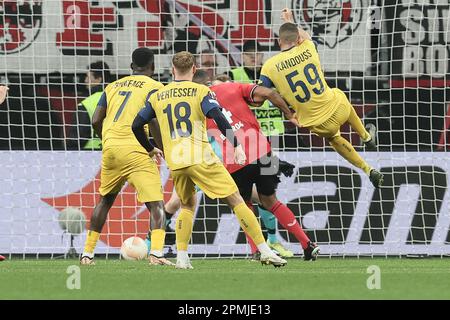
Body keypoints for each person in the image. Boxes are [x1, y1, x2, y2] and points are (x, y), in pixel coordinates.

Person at [132, 51, 287, 269]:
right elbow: (218, 117)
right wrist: (237, 144)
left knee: (186, 205)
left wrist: (150, 148)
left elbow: (136, 125)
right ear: (194, 69)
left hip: (176, 161)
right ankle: (265, 250)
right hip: (200, 156)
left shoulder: (158, 95)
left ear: (172, 70)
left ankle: (182, 257)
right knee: (236, 200)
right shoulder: (201, 90)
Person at [259, 8, 384, 188]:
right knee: (339, 94)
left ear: (279, 41)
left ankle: (367, 169)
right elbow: (305, 36)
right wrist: (291, 20)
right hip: (339, 110)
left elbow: (261, 93)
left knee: (334, 138)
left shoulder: (269, 66)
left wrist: (286, 111)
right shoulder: (309, 47)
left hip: (317, 124)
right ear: (298, 39)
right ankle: (365, 136)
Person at [204, 76, 319, 261]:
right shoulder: (234, 87)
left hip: (236, 160)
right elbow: (269, 93)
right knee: (272, 201)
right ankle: (307, 244)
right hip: (264, 151)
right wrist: (289, 115)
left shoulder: (201, 101)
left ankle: (257, 251)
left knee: (243, 205)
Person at [80, 48, 173, 266]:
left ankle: (87, 254)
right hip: (137, 149)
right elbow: (152, 121)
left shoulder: (111, 86)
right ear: (153, 67)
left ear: (131, 67)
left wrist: (107, 138)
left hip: (111, 148)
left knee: (105, 200)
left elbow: (95, 120)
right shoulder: (155, 87)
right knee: (156, 204)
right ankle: (156, 254)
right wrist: (160, 148)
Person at [66, 61, 112, 150]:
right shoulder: (120, 99)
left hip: (90, 155)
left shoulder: (86, 104)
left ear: (99, 79)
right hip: (118, 153)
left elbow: (77, 138)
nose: (85, 80)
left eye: (88, 76)